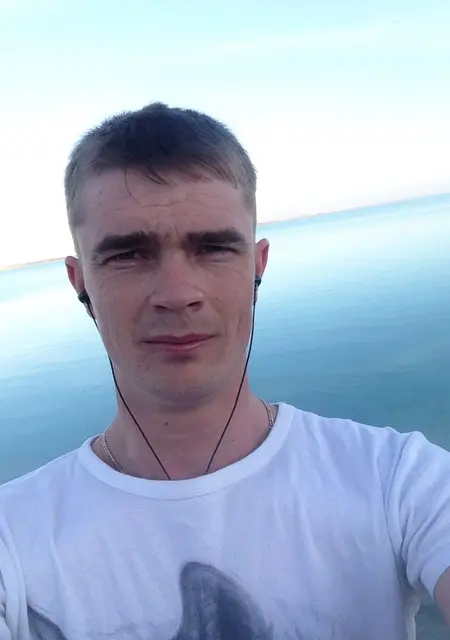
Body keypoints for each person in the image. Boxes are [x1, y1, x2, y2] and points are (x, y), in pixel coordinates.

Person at [1, 102, 450, 640]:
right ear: (80, 284)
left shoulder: (400, 481)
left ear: (257, 266)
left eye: (213, 247)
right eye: (128, 255)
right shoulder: (13, 540)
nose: (177, 294)